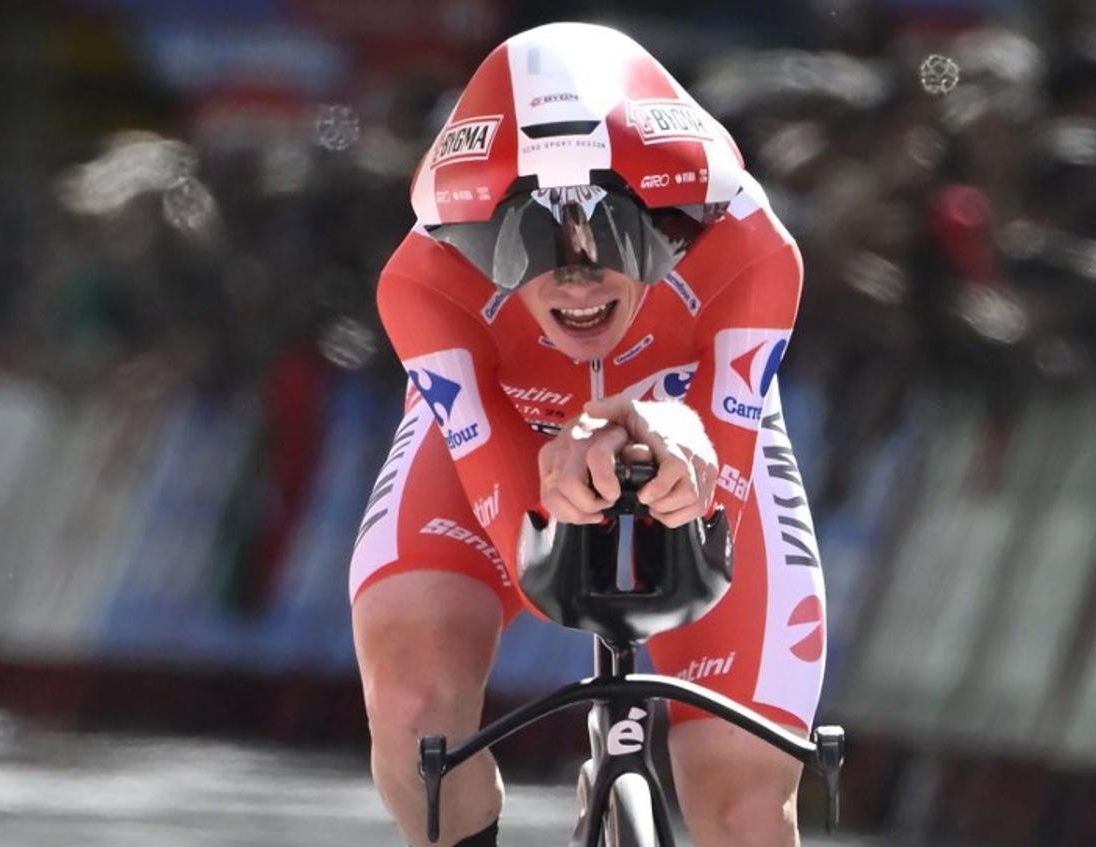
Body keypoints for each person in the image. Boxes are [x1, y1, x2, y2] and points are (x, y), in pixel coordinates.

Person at [350, 22, 826, 847]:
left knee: (746, 804)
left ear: (672, 223)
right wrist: (549, 476)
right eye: (530, 243)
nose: (577, 277)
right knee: (415, 712)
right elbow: (537, 564)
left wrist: (683, 444)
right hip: (509, 432)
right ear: (476, 236)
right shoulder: (424, 278)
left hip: (698, 423)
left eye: (613, 237)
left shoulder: (750, 247)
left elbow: (715, 542)